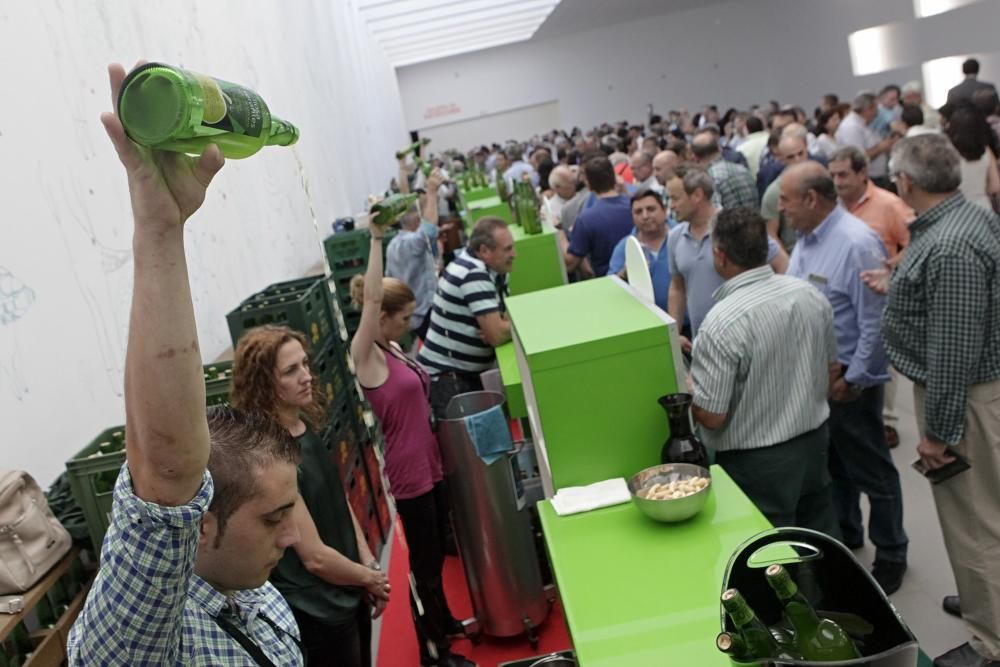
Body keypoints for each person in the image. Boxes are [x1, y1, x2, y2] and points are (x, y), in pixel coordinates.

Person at [69, 62, 304, 665]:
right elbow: (168, 470)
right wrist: (158, 229)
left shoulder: (261, 598)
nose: (293, 536)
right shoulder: (141, 645)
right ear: (200, 525)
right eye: (274, 518)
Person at [863, 134, 1000, 667]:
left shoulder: (949, 246)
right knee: (983, 515)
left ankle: (990, 639)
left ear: (907, 183)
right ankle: (983, 600)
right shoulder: (963, 221)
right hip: (970, 392)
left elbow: (954, 350)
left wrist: (939, 433)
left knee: (974, 524)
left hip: (962, 400)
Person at [780, 162, 908, 595]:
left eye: (786, 200)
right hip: (820, 381)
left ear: (811, 200)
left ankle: (891, 552)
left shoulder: (855, 242)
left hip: (849, 384)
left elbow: (875, 320)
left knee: (874, 471)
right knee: (836, 467)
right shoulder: (806, 242)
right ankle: (849, 534)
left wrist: (854, 378)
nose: (781, 209)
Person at [350, 227, 474, 667]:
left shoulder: (395, 348)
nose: (409, 326)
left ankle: (442, 622)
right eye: (403, 319)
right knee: (422, 565)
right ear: (381, 318)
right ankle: (432, 652)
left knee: (436, 556)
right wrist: (377, 240)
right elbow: (368, 301)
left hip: (431, 465)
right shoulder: (366, 356)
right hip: (408, 475)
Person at [231, 325, 388, 666]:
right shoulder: (271, 455)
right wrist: (370, 579)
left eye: (305, 364)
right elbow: (314, 557)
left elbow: (339, 500)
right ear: (264, 383)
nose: (306, 377)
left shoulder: (302, 427)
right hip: (318, 609)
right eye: (291, 371)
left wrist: (368, 564)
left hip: (346, 585)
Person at [690, 207, 840, 535]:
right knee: (820, 538)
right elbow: (832, 371)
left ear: (720, 255)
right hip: (815, 444)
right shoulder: (809, 295)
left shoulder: (721, 322)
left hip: (757, 464)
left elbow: (712, 416)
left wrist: (689, 386)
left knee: (771, 552)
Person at [666, 165, 787, 350]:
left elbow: (781, 263)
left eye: (675, 198)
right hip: (703, 344)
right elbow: (677, 286)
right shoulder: (675, 237)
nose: (671, 206)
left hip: (746, 342)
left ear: (697, 195)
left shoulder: (736, 227)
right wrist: (673, 333)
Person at [417, 217, 516, 419]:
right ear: (485, 251)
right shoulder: (473, 274)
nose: (514, 255)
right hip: (449, 382)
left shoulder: (493, 271)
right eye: (507, 249)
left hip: (465, 377)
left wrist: (504, 325)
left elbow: (504, 321)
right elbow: (497, 334)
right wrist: (508, 327)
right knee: (468, 449)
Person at [387, 169, 445, 341]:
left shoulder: (393, 245)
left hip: (416, 314)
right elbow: (428, 232)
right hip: (424, 313)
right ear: (416, 219)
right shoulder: (410, 243)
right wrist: (432, 193)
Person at [563, 155, 634, 278]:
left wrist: (560, 234)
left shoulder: (586, 219)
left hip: (609, 282)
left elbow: (570, 264)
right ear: (614, 177)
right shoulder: (635, 207)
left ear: (588, 184)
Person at [606, 189, 672, 310]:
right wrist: (625, 272)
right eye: (638, 212)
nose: (645, 216)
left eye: (651, 209)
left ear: (664, 210)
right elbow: (611, 289)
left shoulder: (681, 236)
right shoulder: (625, 247)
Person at [835, 92, 897, 190]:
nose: (878, 112)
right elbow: (857, 158)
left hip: (876, 178)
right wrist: (880, 147)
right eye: (876, 108)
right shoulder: (851, 127)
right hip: (868, 180)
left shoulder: (862, 123)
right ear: (868, 109)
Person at [945, 106, 1000, 213]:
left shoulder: (946, 152)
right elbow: (995, 186)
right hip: (983, 208)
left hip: (954, 211)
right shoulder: (985, 150)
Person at [691, 129, 758, 210]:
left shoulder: (710, 179)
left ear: (695, 158)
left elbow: (715, 213)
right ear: (719, 149)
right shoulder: (743, 170)